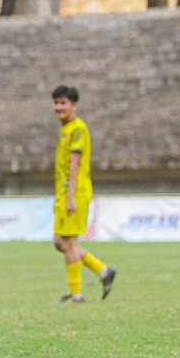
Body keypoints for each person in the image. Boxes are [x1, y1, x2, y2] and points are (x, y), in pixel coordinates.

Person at [50, 85, 116, 303]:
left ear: (73, 106)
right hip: (64, 193)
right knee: (60, 242)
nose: (58, 107)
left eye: (63, 103)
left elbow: (75, 165)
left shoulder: (78, 129)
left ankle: (76, 294)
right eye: (56, 103)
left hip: (74, 193)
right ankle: (103, 271)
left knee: (68, 244)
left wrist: (70, 197)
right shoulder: (66, 129)